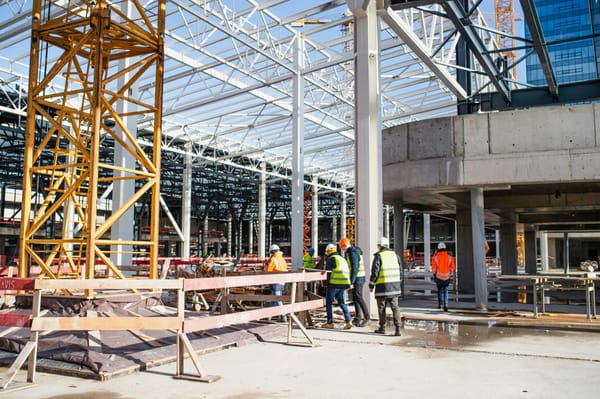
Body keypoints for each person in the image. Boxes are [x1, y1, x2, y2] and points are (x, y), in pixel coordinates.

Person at [369, 237, 403, 336]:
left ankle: (382, 328)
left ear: (379, 245)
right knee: (395, 307)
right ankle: (398, 329)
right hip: (395, 286)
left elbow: (375, 272)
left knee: (381, 308)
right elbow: (400, 270)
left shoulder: (379, 256)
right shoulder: (395, 255)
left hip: (382, 286)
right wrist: (398, 282)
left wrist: (371, 284)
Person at [339, 237, 369, 327]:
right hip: (358, 277)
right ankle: (358, 318)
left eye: (342, 247)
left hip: (358, 278)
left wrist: (351, 282)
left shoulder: (352, 253)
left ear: (344, 245)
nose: (342, 250)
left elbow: (355, 268)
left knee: (359, 297)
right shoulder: (352, 252)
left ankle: (367, 317)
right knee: (355, 298)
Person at [322, 243, 353, 330]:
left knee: (328, 302)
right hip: (343, 284)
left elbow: (328, 272)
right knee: (342, 302)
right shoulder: (342, 259)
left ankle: (329, 322)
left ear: (329, 251)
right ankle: (348, 321)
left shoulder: (331, 259)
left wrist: (325, 284)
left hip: (333, 284)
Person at [264, 244, 289, 322]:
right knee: (274, 297)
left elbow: (268, 270)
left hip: (276, 280)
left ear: (272, 252)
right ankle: (271, 315)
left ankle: (283, 315)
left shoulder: (274, 259)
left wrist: (266, 265)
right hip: (282, 281)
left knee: (277, 298)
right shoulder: (282, 259)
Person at [431, 242, 455, 312]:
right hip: (447, 277)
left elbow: (434, 269)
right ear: (445, 249)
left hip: (438, 277)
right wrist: (449, 273)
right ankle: (446, 305)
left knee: (439, 291)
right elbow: (452, 268)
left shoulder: (435, 258)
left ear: (438, 249)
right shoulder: (450, 257)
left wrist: (434, 275)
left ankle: (440, 304)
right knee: (446, 291)